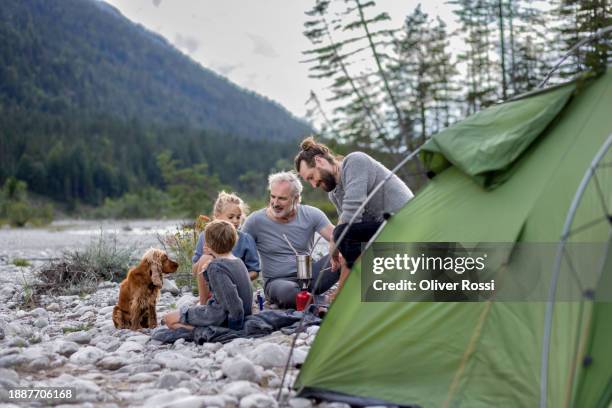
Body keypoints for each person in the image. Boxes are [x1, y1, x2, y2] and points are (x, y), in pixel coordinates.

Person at [295, 137, 414, 298]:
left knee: (342, 234)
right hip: (384, 229)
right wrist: (339, 248)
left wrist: (334, 242)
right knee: (316, 281)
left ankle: (345, 295)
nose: (314, 184)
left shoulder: (355, 161)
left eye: (311, 177)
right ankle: (350, 292)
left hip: (406, 223)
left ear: (319, 161)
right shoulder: (334, 193)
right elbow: (352, 231)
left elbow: (352, 213)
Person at [242, 171, 339, 308]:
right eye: (273, 196)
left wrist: (338, 248)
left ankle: (370, 298)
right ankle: (323, 302)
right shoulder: (255, 221)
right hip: (278, 282)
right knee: (288, 292)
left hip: (310, 275)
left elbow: (339, 237)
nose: (275, 203)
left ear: (296, 198)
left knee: (347, 252)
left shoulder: (312, 214)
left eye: (282, 198)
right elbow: (237, 251)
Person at [163, 220, 253, 331]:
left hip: (222, 317)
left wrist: (234, 326)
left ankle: (203, 331)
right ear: (234, 241)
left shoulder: (216, 267)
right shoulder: (239, 262)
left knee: (169, 319)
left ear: (208, 244)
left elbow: (233, 301)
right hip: (242, 313)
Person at [191, 191, 259, 305]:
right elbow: (194, 271)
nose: (235, 221)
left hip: (237, 291)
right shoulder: (205, 236)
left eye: (238, 217)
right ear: (217, 217)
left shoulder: (246, 239)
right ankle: (204, 305)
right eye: (230, 217)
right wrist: (205, 255)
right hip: (212, 289)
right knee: (205, 258)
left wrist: (236, 278)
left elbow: (255, 271)